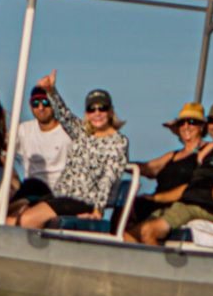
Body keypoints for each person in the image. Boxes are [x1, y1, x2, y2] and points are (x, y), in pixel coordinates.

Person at [16, 76, 131, 230]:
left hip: (84, 200)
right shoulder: (83, 134)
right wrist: (51, 90)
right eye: (92, 109)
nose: (97, 113)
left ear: (110, 111)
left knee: (27, 220)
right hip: (62, 194)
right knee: (12, 213)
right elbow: (64, 115)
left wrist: (98, 209)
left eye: (102, 108)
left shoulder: (118, 141)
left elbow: (109, 177)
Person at [135, 101, 213, 245]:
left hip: (202, 208)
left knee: (147, 231)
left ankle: (156, 267)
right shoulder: (208, 152)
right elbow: (153, 170)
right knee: (130, 233)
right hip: (182, 204)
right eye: (212, 120)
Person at [127, 101, 208, 230]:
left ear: (202, 126)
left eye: (192, 122)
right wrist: (120, 163)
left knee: (144, 227)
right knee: (125, 209)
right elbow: (149, 168)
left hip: (179, 207)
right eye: (182, 123)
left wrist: (156, 198)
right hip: (155, 204)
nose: (186, 126)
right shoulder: (172, 155)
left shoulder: (207, 151)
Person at [4, 81, 73, 217]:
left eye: (45, 102)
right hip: (31, 190)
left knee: (22, 210)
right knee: (5, 210)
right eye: (36, 103)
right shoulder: (24, 130)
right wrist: (13, 178)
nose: (41, 107)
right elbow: (0, 146)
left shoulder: (67, 132)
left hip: (56, 193)